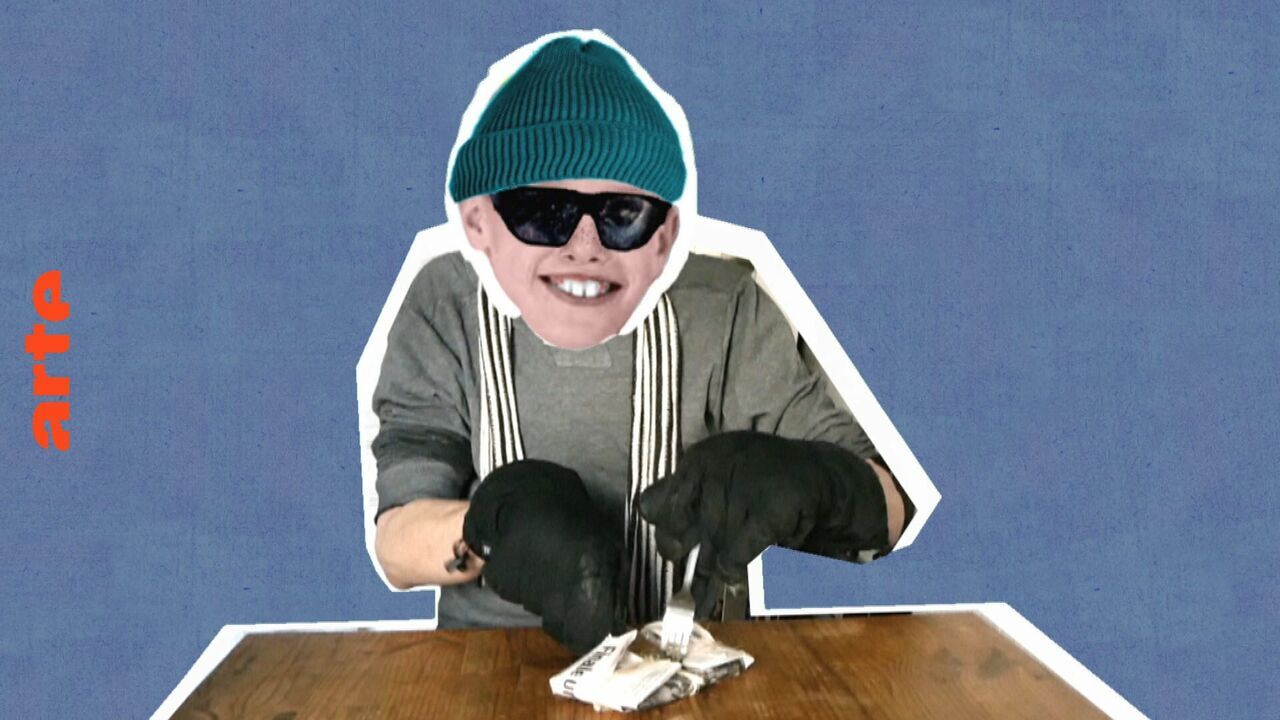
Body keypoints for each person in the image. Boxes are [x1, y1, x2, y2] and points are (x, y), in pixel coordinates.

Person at [370, 32, 914, 654]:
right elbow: (396, 546)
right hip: (489, 665)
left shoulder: (725, 309)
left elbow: (889, 509)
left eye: (622, 215)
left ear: (664, 236)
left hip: (697, 660)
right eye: (542, 212)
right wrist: (487, 528)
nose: (584, 248)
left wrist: (815, 483)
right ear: (479, 222)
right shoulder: (446, 306)